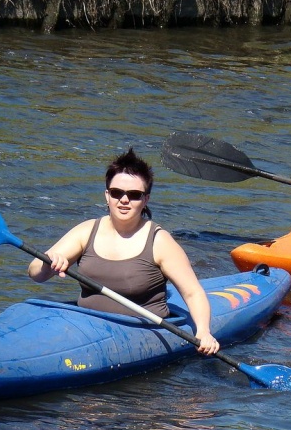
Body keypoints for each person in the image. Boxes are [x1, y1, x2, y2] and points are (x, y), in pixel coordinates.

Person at [28, 148, 220, 355]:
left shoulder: (160, 241)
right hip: (86, 327)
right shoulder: (86, 231)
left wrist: (203, 331)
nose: (124, 200)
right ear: (107, 196)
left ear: (145, 199)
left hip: (142, 331)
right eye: (117, 193)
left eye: (134, 195)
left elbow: (192, 293)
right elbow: (35, 273)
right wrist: (48, 263)